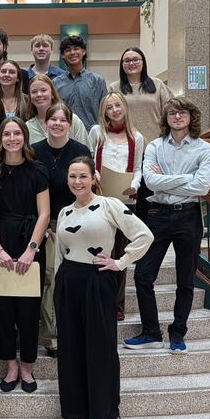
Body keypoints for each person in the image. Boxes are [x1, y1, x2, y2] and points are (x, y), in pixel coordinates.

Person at [55, 156, 153, 419]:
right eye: (72, 176)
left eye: (83, 176)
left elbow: (145, 236)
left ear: (94, 178)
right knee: (71, 347)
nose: (77, 181)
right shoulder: (64, 213)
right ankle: (77, 410)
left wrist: (120, 263)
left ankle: (109, 413)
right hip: (69, 280)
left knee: (102, 348)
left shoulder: (109, 205)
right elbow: (60, 255)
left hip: (98, 280)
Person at [124, 97, 210, 354]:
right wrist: (186, 178)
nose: (177, 117)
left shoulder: (204, 149)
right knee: (143, 275)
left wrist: (167, 179)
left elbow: (202, 187)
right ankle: (151, 332)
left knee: (185, 279)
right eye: (172, 113)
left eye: (182, 112)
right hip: (157, 215)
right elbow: (151, 183)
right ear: (165, 118)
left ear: (191, 116)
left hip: (188, 216)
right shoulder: (154, 146)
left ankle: (178, 333)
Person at [0, 118, 49, 393]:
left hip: (30, 240)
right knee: (4, 309)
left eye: (17, 133)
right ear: (0, 137)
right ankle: (10, 364)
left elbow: (44, 213)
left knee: (29, 310)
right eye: (6, 134)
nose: (12, 138)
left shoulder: (37, 169)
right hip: (0, 239)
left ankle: (27, 367)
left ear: (25, 136)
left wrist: (31, 249)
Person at [31, 102, 90, 357]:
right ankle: (50, 337)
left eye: (62, 120)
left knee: (71, 282)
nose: (56, 124)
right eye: (52, 119)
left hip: (74, 225)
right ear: (45, 123)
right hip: (44, 227)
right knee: (48, 282)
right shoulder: (34, 152)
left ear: (69, 124)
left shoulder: (80, 151)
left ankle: (72, 332)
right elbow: (29, 190)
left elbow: (86, 190)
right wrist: (43, 225)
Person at [87, 92, 145, 322]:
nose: (114, 110)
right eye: (109, 107)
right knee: (99, 253)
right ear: (104, 111)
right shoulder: (96, 132)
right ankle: (97, 299)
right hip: (100, 199)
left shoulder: (136, 137)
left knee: (120, 255)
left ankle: (117, 304)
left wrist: (134, 185)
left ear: (125, 107)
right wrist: (94, 172)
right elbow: (89, 158)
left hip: (125, 201)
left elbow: (138, 167)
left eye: (118, 105)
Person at [108, 47, 173, 218]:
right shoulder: (114, 87)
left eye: (136, 59)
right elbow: (107, 116)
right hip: (125, 150)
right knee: (126, 197)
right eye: (127, 60)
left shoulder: (157, 85)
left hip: (154, 149)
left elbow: (172, 111)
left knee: (149, 197)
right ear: (122, 65)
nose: (132, 63)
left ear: (143, 62)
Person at [53, 34, 107, 128]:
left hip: (92, 136)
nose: (72, 52)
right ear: (63, 55)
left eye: (76, 48)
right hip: (64, 136)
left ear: (84, 51)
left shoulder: (97, 81)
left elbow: (105, 111)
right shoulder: (55, 83)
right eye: (68, 50)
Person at [25, 73, 90, 146]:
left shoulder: (72, 119)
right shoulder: (27, 127)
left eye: (43, 90)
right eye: (34, 92)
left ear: (52, 93)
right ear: (30, 97)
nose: (39, 94)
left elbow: (85, 151)